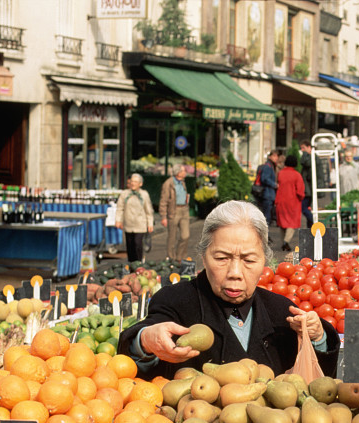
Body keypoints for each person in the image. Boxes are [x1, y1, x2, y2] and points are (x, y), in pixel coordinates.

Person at [118, 201, 340, 379]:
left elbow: (318, 386)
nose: (235, 272)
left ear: (265, 260)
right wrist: (146, 340)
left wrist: (318, 337)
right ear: (204, 256)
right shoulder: (175, 301)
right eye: (222, 258)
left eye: (249, 260)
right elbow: (131, 356)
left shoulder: (281, 312)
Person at [115, 173, 154, 263]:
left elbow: (149, 210)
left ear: (140, 184)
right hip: (128, 224)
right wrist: (118, 220)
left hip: (140, 224)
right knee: (130, 246)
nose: (133, 183)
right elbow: (120, 208)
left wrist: (150, 223)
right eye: (132, 181)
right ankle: (131, 265)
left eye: (136, 182)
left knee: (137, 244)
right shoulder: (124, 194)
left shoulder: (144, 194)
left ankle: (139, 263)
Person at [159, 164, 190, 261]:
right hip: (173, 211)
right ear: (178, 173)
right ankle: (171, 258)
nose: (185, 172)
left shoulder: (182, 182)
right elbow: (163, 200)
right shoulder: (168, 183)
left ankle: (180, 257)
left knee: (185, 235)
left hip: (184, 210)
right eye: (184, 171)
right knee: (172, 237)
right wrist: (163, 216)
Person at [275, 155, 305, 251]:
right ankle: (286, 241)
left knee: (282, 222)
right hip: (293, 201)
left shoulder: (280, 173)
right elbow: (300, 191)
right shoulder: (297, 175)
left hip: (280, 200)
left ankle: (283, 241)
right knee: (291, 223)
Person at [258, 150, 280, 225]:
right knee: (267, 216)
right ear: (270, 156)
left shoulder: (272, 165)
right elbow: (264, 178)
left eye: (277, 156)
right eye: (274, 156)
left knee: (268, 215)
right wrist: (274, 184)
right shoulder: (268, 166)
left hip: (269, 194)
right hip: (267, 193)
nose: (276, 158)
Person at [298, 140, 314, 227]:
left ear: (309, 148)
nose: (302, 150)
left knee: (304, 208)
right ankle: (310, 226)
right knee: (306, 207)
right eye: (301, 149)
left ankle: (313, 220)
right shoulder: (308, 158)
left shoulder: (309, 158)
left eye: (303, 148)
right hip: (308, 188)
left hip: (308, 189)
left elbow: (305, 162)